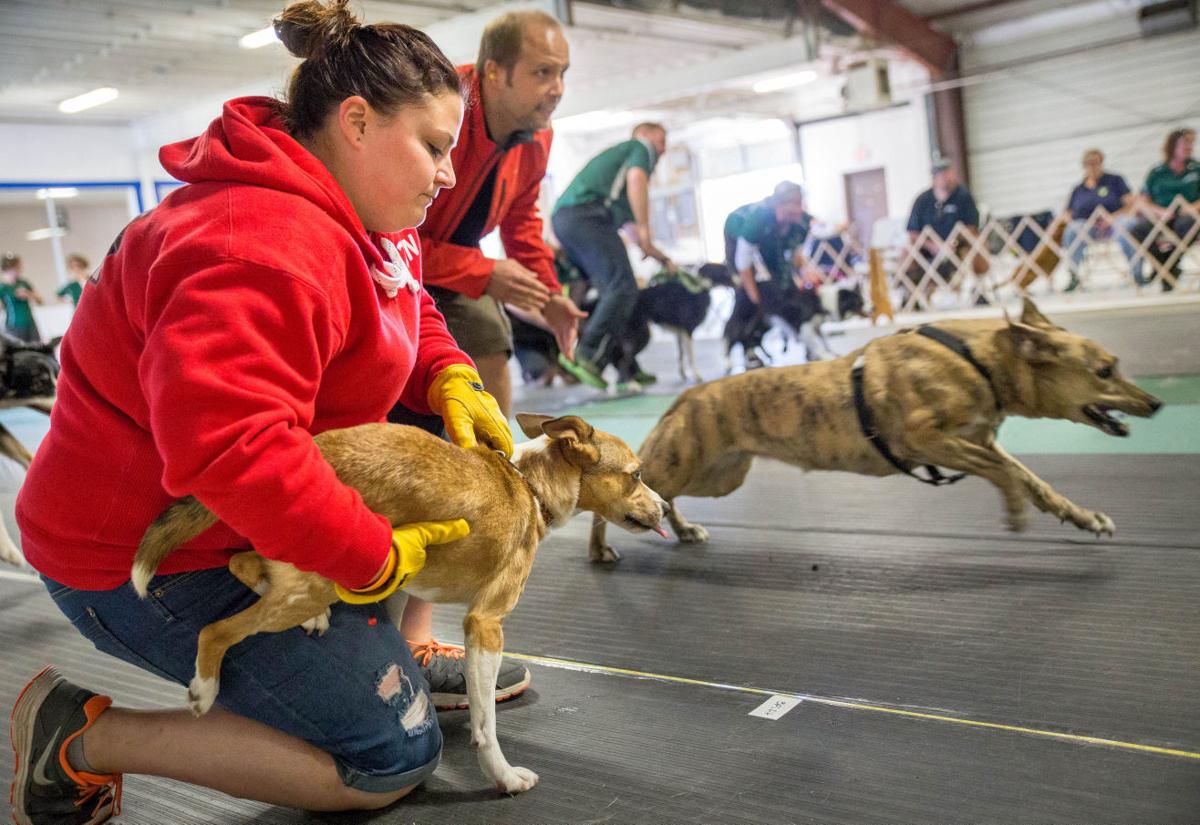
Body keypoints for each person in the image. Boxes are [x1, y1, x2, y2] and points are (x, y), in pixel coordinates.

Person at [8, 2, 523, 821]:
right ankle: (75, 737)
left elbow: (407, 299)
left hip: (240, 522)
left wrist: (448, 374)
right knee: (392, 756)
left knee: (414, 445)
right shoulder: (255, 246)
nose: (448, 175)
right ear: (356, 122)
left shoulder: (372, 218)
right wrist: (367, 556)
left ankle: (391, 651)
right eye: (431, 146)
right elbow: (232, 451)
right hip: (143, 553)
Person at [413, 9, 584, 418]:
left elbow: (523, 218)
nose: (558, 88)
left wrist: (550, 297)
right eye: (542, 72)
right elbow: (383, 235)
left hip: (453, 253)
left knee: (488, 335)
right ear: (494, 72)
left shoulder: (538, 134)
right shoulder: (435, 111)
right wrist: (482, 272)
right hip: (389, 251)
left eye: (562, 73)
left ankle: (496, 468)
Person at [551, 122, 673, 390]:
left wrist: (658, 255)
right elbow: (637, 181)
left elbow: (630, 229)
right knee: (622, 287)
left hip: (573, 219)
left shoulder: (615, 182)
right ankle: (587, 355)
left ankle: (627, 367)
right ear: (644, 135)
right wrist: (646, 230)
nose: (663, 148)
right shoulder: (640, 148)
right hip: (585, 216)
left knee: (618, 291)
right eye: (661, 140)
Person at [721, 181, 811, 369]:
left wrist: (801, 280)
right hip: (737, 231)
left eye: (799, 203)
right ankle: (739, 344)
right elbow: (743, 264)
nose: (798, 208)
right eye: (793, 203)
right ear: (778, 205)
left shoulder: (802, 222)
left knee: (782, 289)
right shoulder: (757, 220)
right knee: (747, 294)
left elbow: (795, 259)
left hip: (770, 237)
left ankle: (803, 341)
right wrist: (758, 301)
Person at [903, 157, 986, 306]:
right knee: (906, 251)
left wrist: (952, 242)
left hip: (958, 245)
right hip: (928, 248)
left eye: (948, 173)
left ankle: (980, 289)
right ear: (934, 178)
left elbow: (972, 227)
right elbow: (912, 232)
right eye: (940, 174)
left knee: (978, 243)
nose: (945, 178)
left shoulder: (964, 197)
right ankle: (910, 295)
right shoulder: (922, 200)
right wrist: (932, 246)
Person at [1129, 127, 1199, 291]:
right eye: (1185, 143)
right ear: (1172, 146)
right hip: (1161, 216)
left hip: (1188, 215)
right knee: (1137, 230)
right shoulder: (1156, 171)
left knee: (1188, 225)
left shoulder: (1197, 168)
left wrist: (1192, 208)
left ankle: (1167, 266)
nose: (1189, 147)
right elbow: (1143, 200)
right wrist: (1161, 212)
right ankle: (1165, 264)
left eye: (1191, 144)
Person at [1060, 149, 1136, 292]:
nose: (1092, 166)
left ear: (1101, 163)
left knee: (1128, 225)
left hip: (1114, 222)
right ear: (1083, 165)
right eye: (1089, 163)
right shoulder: (1078, 189)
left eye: (1096, 162)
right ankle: (1074, 276)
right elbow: (1067, 213)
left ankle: (1136, 272)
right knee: (1072, 231)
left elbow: (1130, 204)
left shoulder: (1115, 180)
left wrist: (1112, 218)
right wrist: (1077, 222)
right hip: (1088, 227)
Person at [0, 252, 46, 342]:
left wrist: (28, 294)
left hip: (30, 324)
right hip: (13, 326)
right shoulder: (2, 288)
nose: (21, 269)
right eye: (18, 267)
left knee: (37, 351)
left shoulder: (24, 283)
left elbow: (41, 301)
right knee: (19, 353)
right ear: (9, 269)